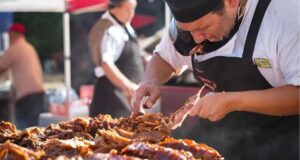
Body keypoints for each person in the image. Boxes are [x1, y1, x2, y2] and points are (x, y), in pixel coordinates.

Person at [131, 0, 299, 159]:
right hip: (225, 136)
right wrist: (151, 80)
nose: (196, 39)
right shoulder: (190, 25)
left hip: (283, 141)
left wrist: (232, 101)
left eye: (203, 27)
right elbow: (165, 57)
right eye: (188, 31)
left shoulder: (287, 20)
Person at [88, 0, 144, 118]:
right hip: (111, 100)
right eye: (127, 9)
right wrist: (128, 86)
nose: (131, 14)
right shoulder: (107, 28)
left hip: (126, 99)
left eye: (133, 9)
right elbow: (106, 64)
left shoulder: (125, 26)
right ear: (114, 8)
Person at [0, 23, 46, 129]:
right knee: (37, 130)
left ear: (13, 34)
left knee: (25, 133)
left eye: (10, 35)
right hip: (39, 95)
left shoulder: (14, 48)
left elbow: (1, 68)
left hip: (27, 98)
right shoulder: (29, 47)